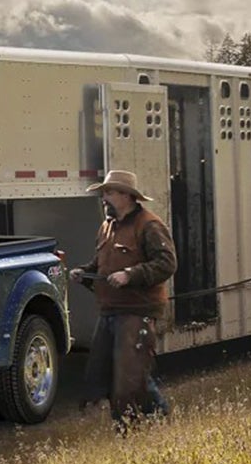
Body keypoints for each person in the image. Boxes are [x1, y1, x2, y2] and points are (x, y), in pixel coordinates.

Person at [69, 170, 177, 432]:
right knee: (110, 374)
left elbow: (167, 263)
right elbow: (102, 265)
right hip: (110, 311)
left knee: (128, 380)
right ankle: (158, 419)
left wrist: (130, 275)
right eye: (103, 193)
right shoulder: (107, 227)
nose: (104, 198)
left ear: (126, 196)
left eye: (109, 192)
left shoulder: (149, 226)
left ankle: (132, 431)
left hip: (137, 312)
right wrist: (84, 272)